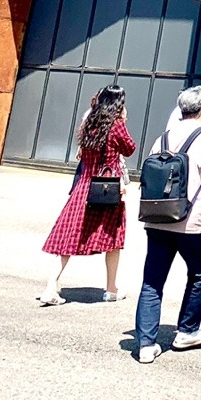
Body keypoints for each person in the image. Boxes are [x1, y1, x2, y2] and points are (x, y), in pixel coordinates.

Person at [134, 85, 201, 364]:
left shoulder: (162, 138)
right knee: (198, 274)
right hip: (191, 222)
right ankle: (187, 331)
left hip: (158, 218)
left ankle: (146, 344)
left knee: (152, 280)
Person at [39, 84, 136, 305]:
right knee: (113, 237)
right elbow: (130, 148)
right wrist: (123, 120)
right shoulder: (117, 125)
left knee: (68, 235)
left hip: (84, 185)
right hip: (107, 187)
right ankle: (111, 289)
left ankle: (51, 286)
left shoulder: (89, 122)